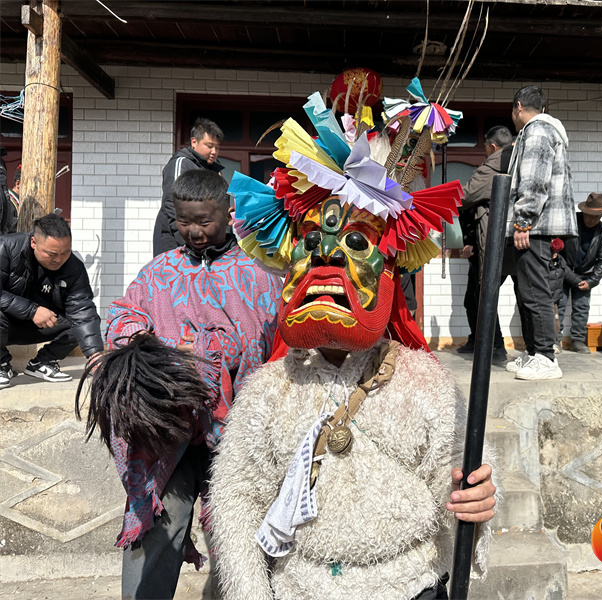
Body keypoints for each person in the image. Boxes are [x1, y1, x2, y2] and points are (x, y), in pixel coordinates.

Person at [210, 94, 497, 600]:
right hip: (302, 588)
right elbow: (236, 502)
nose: (326, 256)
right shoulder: (267, 390)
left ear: (391, 269)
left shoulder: (425, 383)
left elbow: (458, 474)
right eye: (310, 243)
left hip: (409, 584)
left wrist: (474, 498)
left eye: (357, 244)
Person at [104, 169, 282, 599]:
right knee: (160, 524)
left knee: (238, 533)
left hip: (239, 432)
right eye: (184, 221)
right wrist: (147, 345)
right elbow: (124, 314)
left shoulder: (258, 272)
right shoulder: (159, 272)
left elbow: (271, 342)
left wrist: (213, 353)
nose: (195, 231)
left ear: (227, 212)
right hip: (170, 430)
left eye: (204, 220)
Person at [505, 86, 577, 380]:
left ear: (518, 107)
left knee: (535, 292)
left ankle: (546, 357)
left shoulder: (536, 131)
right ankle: (535, 352)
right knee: (528, 292)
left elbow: (534, 180)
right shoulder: (544, 130)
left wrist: (523, 221)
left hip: (537, 227)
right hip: (541, 226)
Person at [0, 213, 102, 388]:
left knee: (82, 323)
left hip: (41, 325)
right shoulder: (5, 248)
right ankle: (1, 364)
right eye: (51, 254)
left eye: (65, 252)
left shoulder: (74, 268)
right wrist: (32, 311)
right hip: (5, 322)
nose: (59, 259)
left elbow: (82, 311)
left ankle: (41, 363)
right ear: (33, 242)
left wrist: (95, 355)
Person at [458, 125, 514, 364]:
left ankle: (497, 347)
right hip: (516, 240)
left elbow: (465, 198)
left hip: (491, 243)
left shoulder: (490, 170)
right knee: (476, 298)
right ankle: (479, 341)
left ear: (492, 147)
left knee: (484, 296)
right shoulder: (519, 165)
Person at [153, 117, 224, 257]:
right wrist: (186, 241)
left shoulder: (213, 170)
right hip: (176, 241)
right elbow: (172, 203)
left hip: (202, 241)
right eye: (209, 146)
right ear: (194, 142)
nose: (214, 151)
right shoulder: (181, 163)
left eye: (217, 147)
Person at [557, 193, 602, 354]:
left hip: (585, 275)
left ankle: (578, 341)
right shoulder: (570, 223)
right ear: (583, 212)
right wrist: (568, 274)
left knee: (581, 308)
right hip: (564, 270)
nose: (592, 219)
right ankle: (554, 340)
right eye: (590, 215)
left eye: (597, 216)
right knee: (558, 305)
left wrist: (592, 281)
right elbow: (557, 250)